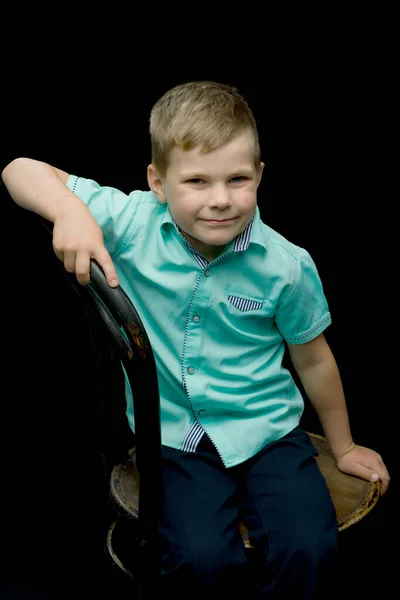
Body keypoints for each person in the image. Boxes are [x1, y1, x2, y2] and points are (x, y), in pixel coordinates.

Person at [1, 80, 390, 599]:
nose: (220, 200)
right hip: (174, 438)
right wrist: (70, 211)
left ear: (259, 176)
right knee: (200, 557)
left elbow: (314, 360)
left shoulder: (286, 265)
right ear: (158, 183)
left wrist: (342, 446)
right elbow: (19, 169)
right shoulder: (136, 222)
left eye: (237, 179)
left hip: (267, 429)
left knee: (308, 547)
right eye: (197, 182)